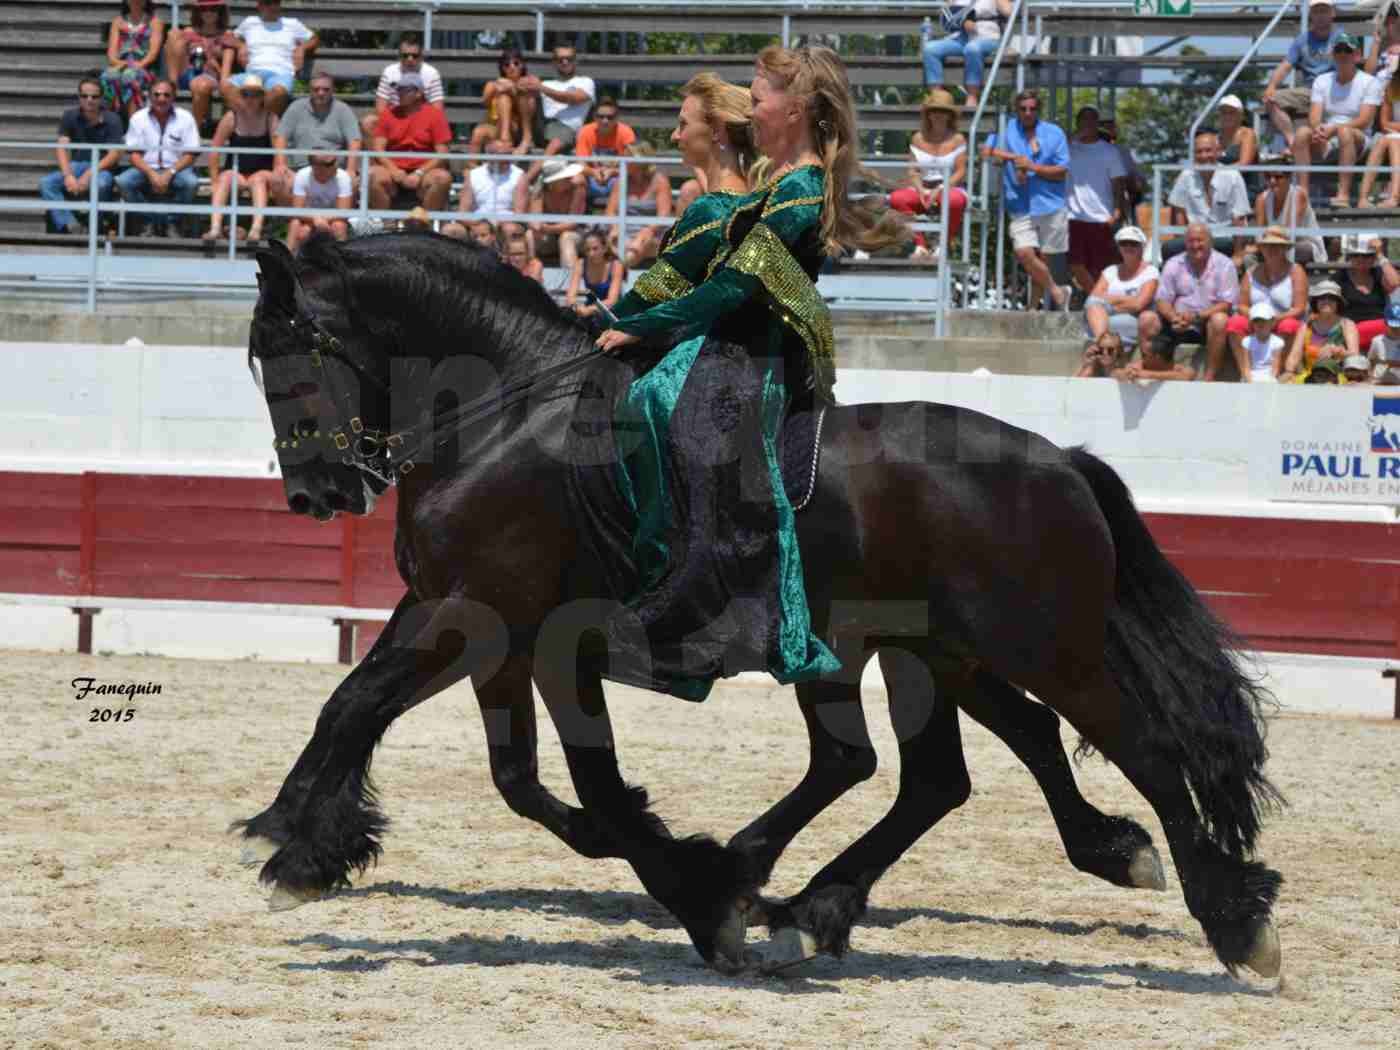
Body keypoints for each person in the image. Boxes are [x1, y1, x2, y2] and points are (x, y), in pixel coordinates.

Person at [592, 47, 901, 695]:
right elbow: (687, 273)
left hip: (753, 357)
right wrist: (614, 318)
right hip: (727, 340)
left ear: (795, 109)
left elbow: (733, 285)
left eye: (759, 98)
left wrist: (639, 326)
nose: (751, 107)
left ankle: (700, 616)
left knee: (668, 417)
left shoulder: (800, 189)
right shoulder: (773, 186)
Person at [980, 89, 1070, 309]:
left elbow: (1062, 171)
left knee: (1042, 262)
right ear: (1016, 110)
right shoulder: (1007, 129)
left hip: (1051, 203)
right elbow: (985, 150)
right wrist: (1014, 157)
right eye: (1023, 108)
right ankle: (1058, 292)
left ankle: (1032, 307)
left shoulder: (1054, 133)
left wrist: (1032, 167)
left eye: (1032, 108)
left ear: (1038, 109)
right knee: (1024, 253)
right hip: (1020, 205)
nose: (1028, 112)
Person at [1139, 222, 1237, 382]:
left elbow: (1227, 303)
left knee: (1220, 320)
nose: (1195, 245)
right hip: (1177, 323)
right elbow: (1162, 299)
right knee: (1146, 318)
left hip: (1207, 324)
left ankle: (1209, 378)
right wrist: (1173, 317)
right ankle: (1151, 370)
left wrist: (1197, 317)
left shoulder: (1225, 264)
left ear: (1210, 242)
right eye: (1191, 241)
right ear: (1185, 243)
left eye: (1200, 240)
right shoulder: (1173, 264)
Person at [1295, 34, 1381, 206]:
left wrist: (1333, 129)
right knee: (1302, 132)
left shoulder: (1370, 82)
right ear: (1333, 54)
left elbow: (1364, 120)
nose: (1342, 54)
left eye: (1347, 50)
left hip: (1360, 138)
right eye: (1338, 50)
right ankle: (1302, 194)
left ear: (1357, 55)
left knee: (1344, 132)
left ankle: (1343, 195)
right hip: (1329, 136)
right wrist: (1319, 130)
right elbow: (1314, 116)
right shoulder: (1322, 80)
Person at [887, 88, 967, 260]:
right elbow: (913, 169)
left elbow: (961, 171)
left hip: (948, 187)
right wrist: (920, 188)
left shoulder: (958, 139)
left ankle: (943, 245)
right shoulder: (917, 138)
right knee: (897, 198)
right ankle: (920, 244)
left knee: (954, 200)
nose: (938, 115)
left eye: (943, 111)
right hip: (922, 188)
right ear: (928, 114)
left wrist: (941, 188)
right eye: (934, 110)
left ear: (950, 115)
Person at [114, 78, 200, 237]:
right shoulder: (138, 118)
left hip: (177, 169)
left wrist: (170, 173)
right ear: (149, 96)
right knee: (123, 181)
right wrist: (151, 174)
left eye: (167, 95)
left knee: (191, 183)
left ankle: (170, 221)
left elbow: (191, 154)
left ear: (174, 97)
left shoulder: (186, 118)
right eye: (157, 94)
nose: (161, 99)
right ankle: (149, 220)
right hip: (146, 168)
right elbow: (134, 155)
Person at [40, 76, 124, 234]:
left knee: (101, 184)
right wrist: (67, 176)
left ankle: (97, 223)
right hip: (77, 165)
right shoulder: (70, 116)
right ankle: (70, 224)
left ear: (101, 98)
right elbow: (61, 147)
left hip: (102, 167)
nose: (89, 100)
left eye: (94, 96)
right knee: (46, 183)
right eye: (84, 96)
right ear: (79, 97)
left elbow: (114, 154)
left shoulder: (113, 119)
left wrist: (88, 175)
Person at [203, 74, 279, 242]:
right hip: (236, 171)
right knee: (224, 179)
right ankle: (215, 227)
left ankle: (256, 229)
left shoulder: (270, 118)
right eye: (246, 94)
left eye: (255, 95)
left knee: (258, 180)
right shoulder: (231, 117)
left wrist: (276, 177)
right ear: (240, 97)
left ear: (262, 98)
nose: (250, 99)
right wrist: (214, 179)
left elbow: (279, 152)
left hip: (263, 172)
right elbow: (214, 149)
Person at [1262, 0, 1342, 149]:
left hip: (1334, 91)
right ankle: (1293, 142)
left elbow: (1348, 69)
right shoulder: (1301, 40)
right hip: (1309, 92)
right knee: (1270, 99)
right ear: (1311, 14)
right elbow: (1286, 65)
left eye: (1324, 11)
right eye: (1317, 11)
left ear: (1333, 13)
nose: (1320, 16)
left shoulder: (1342, 38)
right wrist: (1271, 86)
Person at [369, 72, 453, 213]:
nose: (399, 93)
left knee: (442, 178)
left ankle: (425, 225)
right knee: (371, 175)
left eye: (404, 90)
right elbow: (378, 150)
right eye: (398, 89)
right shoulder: (387, 114)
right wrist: (393, 170)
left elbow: (442, 153)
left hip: (424, 171)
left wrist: (419, 173)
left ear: (419, 93)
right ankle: (385, 226)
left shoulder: (435, 115)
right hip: (393, 171)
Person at [1066, 105, 1126, 296]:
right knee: (1076, 263)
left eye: (1092, 120)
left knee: (1101, 267)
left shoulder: (1110, 151)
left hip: (1102, 217)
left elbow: (1118, 182)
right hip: (1073, 216)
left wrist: (1117, 210)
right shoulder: (1068, 148)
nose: (1088, 124)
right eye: (1083, 120)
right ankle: (1098, 299)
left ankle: (1095, 301)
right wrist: (1073, 138)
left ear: (1097, 124)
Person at [273, 71, 361, 201]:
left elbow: (355, 140)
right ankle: (293, 218)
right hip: (299, 168)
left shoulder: (343, 109)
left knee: (351, 182)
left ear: (332, 91)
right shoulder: (296, 108)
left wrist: (351, 169)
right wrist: (280, 165)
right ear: (310, 90)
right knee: (278, 180)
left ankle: (336, 220)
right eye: (316, 89)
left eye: (326, 89)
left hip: (333, 170)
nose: (321, 93)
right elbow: (281, 137)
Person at [1165, 129, 1249, 262]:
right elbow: (1179, 214)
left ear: (1218, 151)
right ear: (1193, 155)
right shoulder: (1186, 176)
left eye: (1208, 150)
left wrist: (1238, 254)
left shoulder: (1233, 176)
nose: (1204, 156)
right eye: (1199, 151)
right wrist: (1181, 245)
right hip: (1194, 240)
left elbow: (1239, 218)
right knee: (1169, 249)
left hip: (1223, 240)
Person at [1226, 226, 1308, 362]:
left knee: (1289, 325)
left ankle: (1279, 372)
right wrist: (1257, 319)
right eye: (1267, 245)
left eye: (1277, 246)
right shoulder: (1251, 272)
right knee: (1235, 323)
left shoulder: (1296, 271)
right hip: (1255, 320)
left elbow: (1299, 308)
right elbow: (1242, 305)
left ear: (1285, 249)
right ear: (1261, 249)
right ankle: (1246, 371)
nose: (1272, 249)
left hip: (1283, 320)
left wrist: (1274, 320)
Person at [225, 0, 317, 117]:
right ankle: (248, 127)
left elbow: (314, 39)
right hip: (253, 73)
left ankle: (261, 128)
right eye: (268, 3)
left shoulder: (292, 24)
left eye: (276, 2)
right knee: (227, 86)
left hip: (281, 73)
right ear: (259, 6)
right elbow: (228, 38)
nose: (273, 7)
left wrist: (302, 48)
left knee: (277, 93)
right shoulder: (250, 22)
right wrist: (241, 45)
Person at [521, 43, 596, 184]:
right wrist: (514, 84)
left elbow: (574, 98)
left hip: (567, 129)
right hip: (543, 126)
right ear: (554, 62)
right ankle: (526, 137)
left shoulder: (585, 82)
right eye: (560, 59)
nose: (565, 62)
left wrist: (541, 88)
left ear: (575, 61)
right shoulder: (546, 83)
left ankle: (527, 179)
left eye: (569, 58)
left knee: (558, 138)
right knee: (525, 91)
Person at [920, 0, 1011, 111]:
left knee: (972, 48)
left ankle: (972, 96)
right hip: (961, 38)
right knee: (930, 49)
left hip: (987, 36)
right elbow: (948, 12)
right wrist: (962, 19)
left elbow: (1008, 11)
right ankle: (937, 96)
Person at [165, 0, 237, 134]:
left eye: (213, 9)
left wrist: (218, 69)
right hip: (187, 72)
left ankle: (194, 132)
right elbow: (176, 51)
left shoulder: (226, 35)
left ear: (220, 11)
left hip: (210, 76)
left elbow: (226, 70)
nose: (208, 13)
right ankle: (172, 84)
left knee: (201, 85)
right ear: (198, 11)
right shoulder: (189, 32)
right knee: (174, 35)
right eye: (204, 9)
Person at [440, 139, 527, 243]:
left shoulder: (519, 176)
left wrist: (493, 226)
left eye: (509, 154)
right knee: (450, 230)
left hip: (505, 223)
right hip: (476, 222)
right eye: (503, 155)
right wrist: (477, 225)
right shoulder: (474, 175)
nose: (508, 158)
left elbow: (519, 214)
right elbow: (462, 212)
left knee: (509, 229)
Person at [1083, 226, 1157, 347]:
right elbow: (1093, 298)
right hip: (1106, 317)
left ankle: (1101, 344)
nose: (1128, 247)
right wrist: (1129, 299)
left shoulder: (1150, 271)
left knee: (1100, 323)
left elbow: (1139, 304)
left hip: (1134, 320)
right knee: (1094, 309)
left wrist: (1106, 305)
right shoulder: (1110, 271)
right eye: (1124, 243)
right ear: (1118, 247)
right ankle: (1104, 345)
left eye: (1133, 243)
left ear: (1142, 247)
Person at [363, 33, 444, 142]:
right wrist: (396, 123)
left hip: (421, 120)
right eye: (405, 55)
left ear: (421, 56)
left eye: (414, 55)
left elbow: (437, 110)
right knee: (368, 122)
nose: (410, 59)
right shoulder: (389, 72)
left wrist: (415, 122)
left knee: (438, 123)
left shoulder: (431, 73)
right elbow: (380, 108)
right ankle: (377, 158)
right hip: (394, 118)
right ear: (399, 55)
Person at [604, 143, 673, 269]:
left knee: (639, 243)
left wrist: (648, 230)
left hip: (653, 233)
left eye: (628, 157)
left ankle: (619, 272)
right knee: (621, 243)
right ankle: (619, 275)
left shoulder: (659, 181)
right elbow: (610, 212)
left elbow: (664, 215)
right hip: (624, 230)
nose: (624, 160)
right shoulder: (621, 181)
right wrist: (614, 227)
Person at [1283, 279, 1359, 381]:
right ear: (1316, 301)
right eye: (1322, 298)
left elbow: (1355, 356)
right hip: (1309, 377)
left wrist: (1338, 351)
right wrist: (1289, 372)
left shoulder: (1347, 324)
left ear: (1338, 303)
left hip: (1338, 378)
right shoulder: (1306, 325)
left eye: (1331, 298)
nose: (1326, 301)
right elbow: (1295, 355)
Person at [100, 0, 165, 119]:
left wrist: (137, 65)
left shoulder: (155, 22)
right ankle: (109, 123)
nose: (136, 2)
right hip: (121, 63)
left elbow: (152, 54)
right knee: (108, 76)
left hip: (145, 66)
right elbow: (111, 55)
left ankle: (133, 125)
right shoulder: (118, 22)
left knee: (130, 76)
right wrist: (124, 64)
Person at [1252, 164, 1327, 264]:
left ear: (1289, 178)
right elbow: (1259, 235)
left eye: (1278, 177)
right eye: (1268, 177)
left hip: (1302, 244)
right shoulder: (1261, 199)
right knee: (1249, 257)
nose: (1272, 181)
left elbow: (1289, 234)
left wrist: (1268, 239)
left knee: (1292, 250)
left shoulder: (1299, 195)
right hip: (1272, 246)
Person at [468, 47, 535, 157]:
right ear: (502, 68)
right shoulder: (493, 84)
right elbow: (485, 102)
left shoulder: (529, 83)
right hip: (497, 127)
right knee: (478, 132)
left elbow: (531, 110)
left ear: (522, 65)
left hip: (518, 129)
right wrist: (496, 88)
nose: (511, 67)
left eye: (516, 63)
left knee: (505, 96)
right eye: (507, 64)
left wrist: (513, 89)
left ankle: (507, 139)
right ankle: (470, 167)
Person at [1337, 234, 1400, 346]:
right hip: (1352, 332)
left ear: (1374, 258)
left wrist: (1380, 255)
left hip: (1382, 333)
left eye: (1367, 255)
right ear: (1349, 257)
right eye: (1356, 255)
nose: (1361, 259)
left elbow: (1395, 283)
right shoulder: (1340, 277)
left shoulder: (1379, 273)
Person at [576, 97, 638, 209]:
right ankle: (574, 221)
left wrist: (613, 172)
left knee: (623, 181)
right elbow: (580, 165)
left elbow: (632, 167)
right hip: (591, 178)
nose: (605, 121)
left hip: (616, 179)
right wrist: (593, 172)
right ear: (594, 117)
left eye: (610, 117)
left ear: (617, 118)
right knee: (577, 180)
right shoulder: (585, 131)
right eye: (601, 117)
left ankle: (611, 222)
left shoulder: (626, 133)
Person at [286, 153, 351, 250]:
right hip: (308, 219)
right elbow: (297, 210)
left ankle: (342, 261)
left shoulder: (343, 177)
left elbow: (343, 212)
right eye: (330, 164)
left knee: (339, 226)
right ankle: (288, 259)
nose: (335, 165)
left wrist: (321, 220)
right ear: (315, 167)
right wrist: (315, 219)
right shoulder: (302, 175)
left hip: (333, 219)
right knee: (296, 225)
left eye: (335, 161)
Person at [528, 159, 587, 267]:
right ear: (552, 183)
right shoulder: (540, 189)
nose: (570, 178)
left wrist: (547, 228)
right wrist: (537, 226)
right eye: (566, 177)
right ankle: (527, 277)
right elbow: (534, 219)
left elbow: (573, 223)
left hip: (577, 232)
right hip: (549, 235)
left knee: (566, 238)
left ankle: (569, 280)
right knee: (530, 235)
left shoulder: (578, 185)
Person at [1358, 74, 1400, 207]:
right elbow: (1384, 123)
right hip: (1393, 134)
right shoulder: (1392, 86)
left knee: (1392, 141)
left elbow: (1388, 124)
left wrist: (1393, 126)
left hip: (1394, 135)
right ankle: (1363, 198)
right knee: (1383, 141)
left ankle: (1394, 196)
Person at [565, 227, 625, 317]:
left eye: (595, 249)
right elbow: (570, 296)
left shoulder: (616, 265)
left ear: (604, 248)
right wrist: (576, 306)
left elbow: (612, 300)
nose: (591, 254)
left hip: (613, 313)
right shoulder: (580, 264)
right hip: (590, 310)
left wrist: (589, 309)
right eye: (587, 250)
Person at [1216, 94, 1259, 195]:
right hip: (1220, 188)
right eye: (1223, 112)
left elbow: (1244, 165)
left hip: (1245, 189)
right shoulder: (1216, 138)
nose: (1227, 116)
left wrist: (1216, 174)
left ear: (1241, 116)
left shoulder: (1247, 134)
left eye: (1231, 113)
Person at [1238, 303, 1286, 383]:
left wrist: (1270, 380)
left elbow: (1275, 367)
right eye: (1256, 321)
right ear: (1252, 323)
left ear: (1272, 322)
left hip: (1269, 376)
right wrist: (1250, 381)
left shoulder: (1278, 342)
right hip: (1252, 375)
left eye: (1264, 320)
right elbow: (1246, 367)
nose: (1260, 324)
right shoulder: (1247, 341)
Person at [1365, 1, 1400, 87]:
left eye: (1395, 15)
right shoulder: (1378, 44)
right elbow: (1368, 73)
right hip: (1380, 93)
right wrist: (1376, 42)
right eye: (1388, 15)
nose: (1391, 20)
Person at [1367, 302, 1400, 381]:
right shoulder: (1377, 341)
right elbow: (1371, 361)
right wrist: (1369, 377)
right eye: (1393, 327)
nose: (1397, 330)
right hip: (1379, 380)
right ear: (1385, 322)